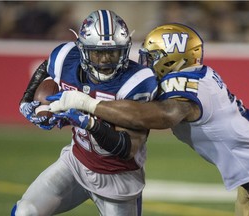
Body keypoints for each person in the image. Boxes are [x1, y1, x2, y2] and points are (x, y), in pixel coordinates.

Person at [49, 23, 249, 216]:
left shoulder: (184, 83)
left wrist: (88, 104)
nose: (145, 62)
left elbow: (163, 115)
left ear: (171, 58)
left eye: (152, 57)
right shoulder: (196, 74)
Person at [12, 10, 157, 216]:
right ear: (82, 50)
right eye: (98, 53)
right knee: (25, 211)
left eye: (113, 52)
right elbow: (48, 66)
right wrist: (27, 101)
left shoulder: (136, 82)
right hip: (76, 163)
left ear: (125, 50)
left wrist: (88, 122)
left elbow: (127, 148)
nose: (105, 60)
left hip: (118, 179)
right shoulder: (67, 57)